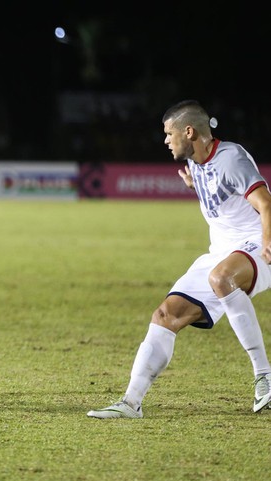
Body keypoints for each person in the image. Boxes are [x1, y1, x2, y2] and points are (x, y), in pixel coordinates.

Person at [88, 99, 271, 419]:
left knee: (221, 278)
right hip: (221, 252)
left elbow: (266, 204)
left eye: (169, 133)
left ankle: (265, 379)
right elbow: (219, 196)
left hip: (257, 244)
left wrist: (268, 242)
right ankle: (131, 403)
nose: (165, 140)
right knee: (165, 315)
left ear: (189, 132)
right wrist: (193, 185)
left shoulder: (231, 159)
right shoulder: (197, 164)